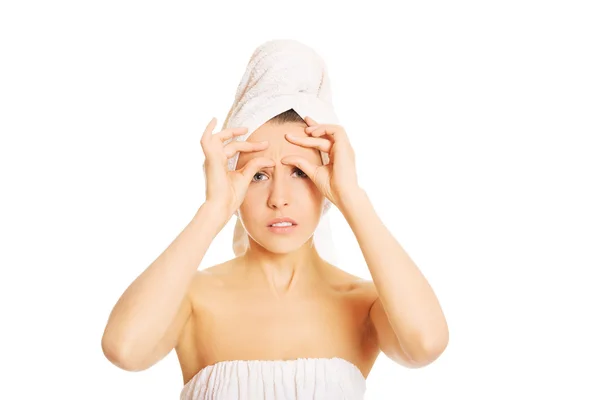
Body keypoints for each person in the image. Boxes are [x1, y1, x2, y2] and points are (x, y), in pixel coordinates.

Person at [102, 40, 448, 399]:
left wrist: (353, 198)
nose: (278, 199)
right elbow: (124, 349)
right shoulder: (191, 298)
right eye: (258, 175)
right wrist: (213, 209)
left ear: (327, 176)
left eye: (299, 172)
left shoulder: (363, 302)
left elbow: (426, 344)